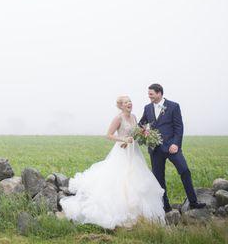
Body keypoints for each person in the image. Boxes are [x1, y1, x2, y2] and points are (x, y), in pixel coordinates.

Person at [59, 96, 165, 229]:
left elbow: (135, 132)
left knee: (137, 178)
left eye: (130, 101)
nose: (129, 104)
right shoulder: (118, 118)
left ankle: (140, 215)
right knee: (120, 179)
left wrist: (142, 135)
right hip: (121, 151)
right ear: (121, 106)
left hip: (133, 151)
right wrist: (123, 139)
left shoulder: (134, 117)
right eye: (126, 102)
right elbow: (108, 135)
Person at [138, 83, 206, 212]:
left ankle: (193, 202)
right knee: (159, 178)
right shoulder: (147, 108)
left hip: (171, 147)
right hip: (155, 149)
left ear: (159, 93)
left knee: (185, 171)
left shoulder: (173, 106)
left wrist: (176, 144)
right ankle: (166, 206)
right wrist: (143, 132)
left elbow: (179, 127)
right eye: (148, 94)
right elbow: (142, 124)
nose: (149, 97)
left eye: (151, 94)